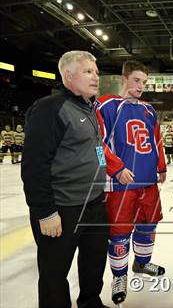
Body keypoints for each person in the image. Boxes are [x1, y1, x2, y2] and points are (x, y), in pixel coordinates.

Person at [21, 50, 108, 308]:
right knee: (54, 274)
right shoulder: (50, 108)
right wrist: (45, 211)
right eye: (88, 72)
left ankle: (91, 303)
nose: (96, 78)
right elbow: (34, 165)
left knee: (93, 265)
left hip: (93, 203)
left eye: (96, 73)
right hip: (62, 207)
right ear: (69, 76)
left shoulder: (89, 105)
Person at [95, 60, 167, 305]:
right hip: (120, 185)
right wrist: (115, 169)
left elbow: (157, 140)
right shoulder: (106, 104)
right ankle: (119, 276)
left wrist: (161, 167)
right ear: (124, 79)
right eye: (136, 81)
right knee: (120, 232)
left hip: (147, 182)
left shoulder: (148, 109)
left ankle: (142, 263)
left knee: (148, 226)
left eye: (144, 82)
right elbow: (97, 144)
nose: (141, 86)